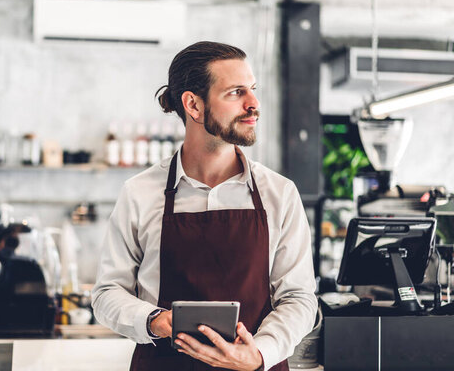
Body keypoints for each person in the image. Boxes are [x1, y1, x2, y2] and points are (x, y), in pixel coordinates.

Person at [91, 41, 317, 371]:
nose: (253, 103)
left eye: (252, 89)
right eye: (236, 92)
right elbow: (108, 292)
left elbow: (298, 297)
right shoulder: (140, 193)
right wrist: (155, 320)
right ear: (193, 105)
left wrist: (259, 353)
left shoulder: (279, 193)